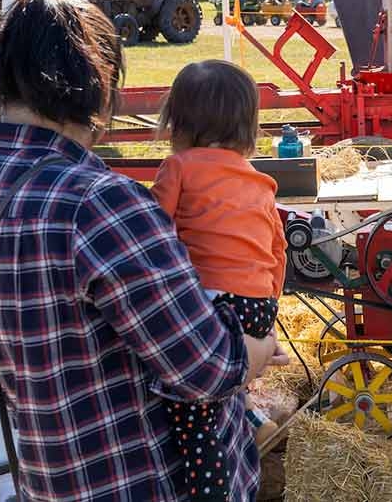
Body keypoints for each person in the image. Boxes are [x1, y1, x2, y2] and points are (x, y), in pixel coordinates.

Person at [0, 0, 286, 502]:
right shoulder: (99, 203)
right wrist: (254, 349)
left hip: (49, 478)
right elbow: (205, 367)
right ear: (94, 87)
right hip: (146, 481)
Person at [151, 60, 289, 501]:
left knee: (190, 408)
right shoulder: (261, 182)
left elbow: (152, 233)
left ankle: (206, 488)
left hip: (211, 300)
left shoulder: (179, 168)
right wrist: (268, 313)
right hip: (258, 303)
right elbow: (277, 252)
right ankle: (250, 420)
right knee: (230, 383)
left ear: (178, 120)